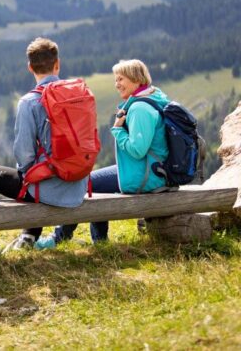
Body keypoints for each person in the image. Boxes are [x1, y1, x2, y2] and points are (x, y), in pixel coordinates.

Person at [42, 58, 170, 247]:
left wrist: (118, 129)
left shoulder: (140, 108)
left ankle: (64, 238)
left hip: (145, 175)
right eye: (115, 79)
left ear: (136, 79)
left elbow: (137, 150)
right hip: (151, 170)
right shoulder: (152, 97)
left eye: (121, 79)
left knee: (89, 184)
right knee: (90, 182)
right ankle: (95, 241)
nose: (117, 84)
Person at [0, 37, 89, 252]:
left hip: (49, 191)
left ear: (29, 67)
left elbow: (24, 155)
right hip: (79, 186)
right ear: (57, 64)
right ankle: (28, 236)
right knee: (34, 173)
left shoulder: (29, 101)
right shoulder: (80, 95)